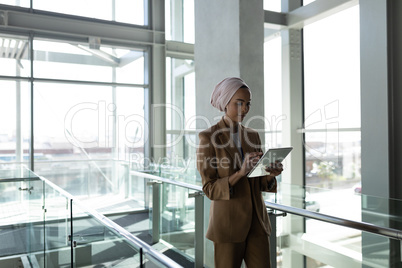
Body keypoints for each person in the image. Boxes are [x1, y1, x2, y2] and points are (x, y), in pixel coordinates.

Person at [196, 77, 283, 268]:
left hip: (257, 224)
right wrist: (239, 173)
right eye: (239, 103)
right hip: (228, 225)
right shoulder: (208, 138)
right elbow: (209, 188)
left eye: (248, 104)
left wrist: (270, 175)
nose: (245, 109)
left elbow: (257, 181)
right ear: (225, 103)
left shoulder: (252, 135)